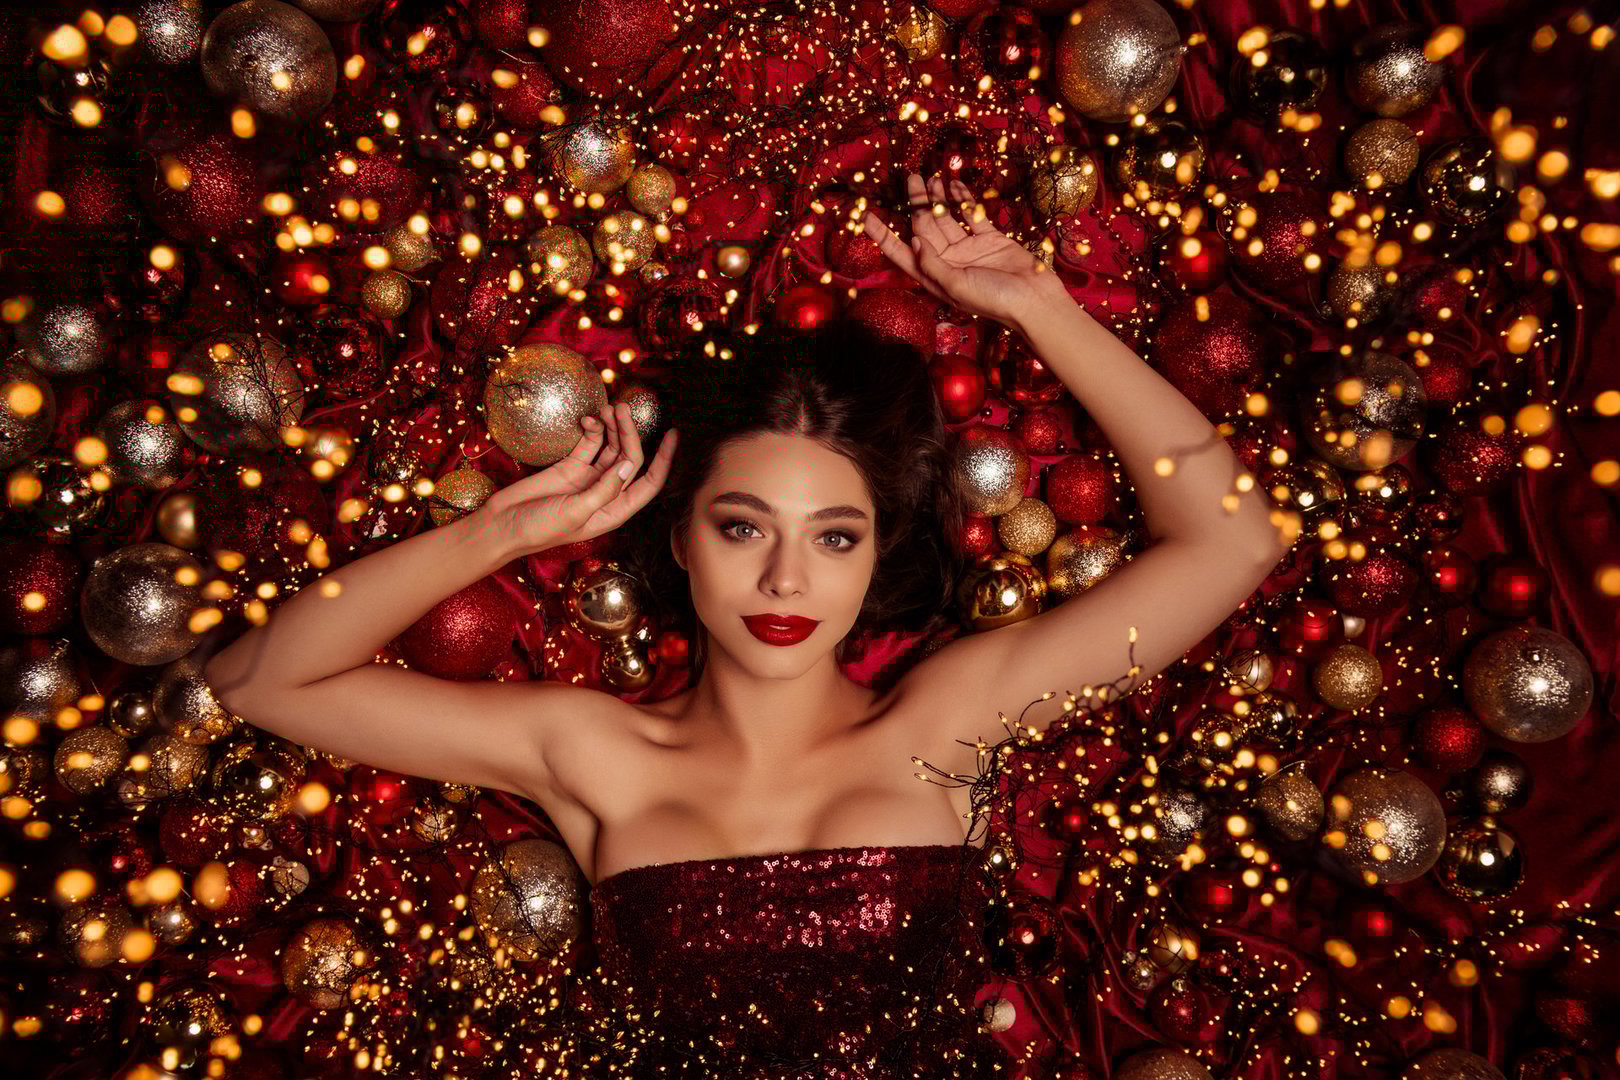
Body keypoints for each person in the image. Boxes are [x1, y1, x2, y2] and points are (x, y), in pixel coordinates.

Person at [206, 172, 1286, 1074]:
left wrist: (1041, 307)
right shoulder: (592, 753)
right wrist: (497, 535)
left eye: (833, 538)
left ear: (875, 557)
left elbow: (1234, 542)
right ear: (680, 537)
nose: (784, 580)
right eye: (741, 528)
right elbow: (261, 681)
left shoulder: (948, 722)